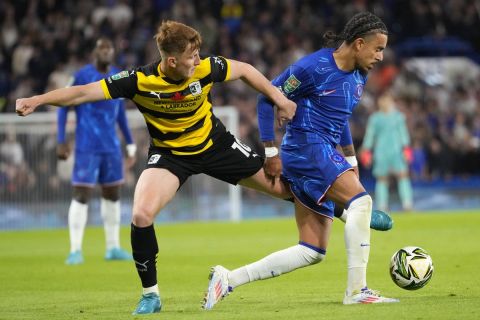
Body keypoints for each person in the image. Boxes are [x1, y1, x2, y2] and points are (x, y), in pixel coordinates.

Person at [16, 20, 297, 315]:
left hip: (215, 144)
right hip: (170, 155)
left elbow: (245, 70)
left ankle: (345, 212)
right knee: (140, 214)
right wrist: (37, 100)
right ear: (172, 60)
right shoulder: (138, 80)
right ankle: (151, 295)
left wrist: (280, 98)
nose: (198, 60)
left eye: (198, 54)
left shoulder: (205, 68)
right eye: (192, 56)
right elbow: (81, 93)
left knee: (288, 191)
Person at [203, 12, 399, 310]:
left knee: (312, 250)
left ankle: (228, 278)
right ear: (359, 44)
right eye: (378, 48)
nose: (381, 56)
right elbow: (267, 97)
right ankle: (357, 290)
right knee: (362, 202)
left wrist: (350, 156)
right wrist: (270, 152)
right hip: (306, 147)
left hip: (323, 151)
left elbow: (340, 115)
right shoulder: (312, 67)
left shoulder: (360, 73)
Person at [57, 38, 137, 265]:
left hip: (111, 147)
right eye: (102, 48)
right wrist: (61, 140)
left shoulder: (118, 76)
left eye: (109, 48)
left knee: (112, 194)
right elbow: (63, 106)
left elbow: (120, 114)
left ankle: (112, 247)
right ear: (95, 52)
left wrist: (130, 144)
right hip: (86, 147)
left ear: (113, 52)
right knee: (81, 194)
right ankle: (75, 250)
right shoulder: (82, 76)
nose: (106, 51)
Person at [360, 92, 413, 211]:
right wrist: (406, 148)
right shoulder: (397, 117)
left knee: (383, 179)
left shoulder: (376, 118)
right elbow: (403, 134)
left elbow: (369, 136)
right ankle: (406, 203)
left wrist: (366, 149)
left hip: (382, 152)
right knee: (401, 176)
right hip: (395, 150)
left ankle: (383, 205)